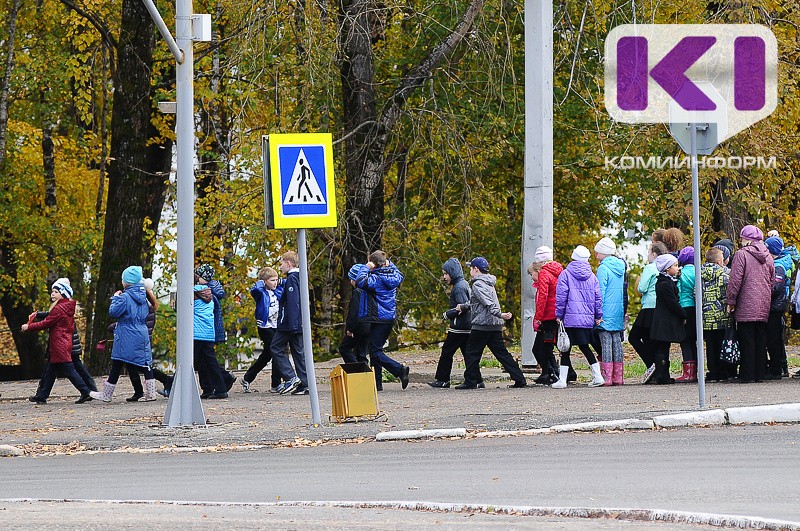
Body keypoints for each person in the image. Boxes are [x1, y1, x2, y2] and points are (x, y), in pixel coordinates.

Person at [456, 256, 526, 389]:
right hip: (495, 325)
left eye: (471, 268)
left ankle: (471, 381)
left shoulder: (478, 284)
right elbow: (477, 302)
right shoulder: (489, 283)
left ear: (476, 269)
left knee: (471, 353)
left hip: (482, 325)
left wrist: (500, 314)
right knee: (502, 353)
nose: (470, 271)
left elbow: (487, 302)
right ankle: (519, 378)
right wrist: (464, 306)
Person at [90, 266, 157, 402]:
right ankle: (151, 393)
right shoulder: (144, 296)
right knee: (145, 362)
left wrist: (115, 298)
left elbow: (113, 312)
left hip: (126, 332)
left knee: (117, 361)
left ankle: (107, 394)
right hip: (142, 331)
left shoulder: (125, 297)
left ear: (127, 282)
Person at [23, 278, 93, 404]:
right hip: (62, 343)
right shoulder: (66, 307)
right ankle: (42, 395)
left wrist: (29, 326)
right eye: (52, 292)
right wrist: (38, 315)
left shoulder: (59, 309)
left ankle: (85, 391)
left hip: (59, 345)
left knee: (70, 371)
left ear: (63, 293)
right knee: (50, 371)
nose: (52, 294)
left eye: (55, 291)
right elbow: (50, 317)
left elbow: (46, 323)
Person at [355, 251, 411, 390]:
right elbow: (397, 272)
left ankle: (399, 370)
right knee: (376, 349)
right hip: (388, 317)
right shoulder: (395, 275)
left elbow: (360, 281)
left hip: (377, 317)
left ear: (372, 263)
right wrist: (388, 263)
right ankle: (377, 384)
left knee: (375, 352)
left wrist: (367, 267)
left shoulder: (376, 279)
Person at [726, 225, 774, 383]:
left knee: (746, 339)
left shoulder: (741, 255)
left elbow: (735, 280)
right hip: (763, 302)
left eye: (742, 238)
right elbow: (771, 280)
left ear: (747, 239)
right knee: (760, 339)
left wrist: (731, 300)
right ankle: (760, 373)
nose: (740, 241)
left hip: (746, 303)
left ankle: (747, 374)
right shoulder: (768, 256)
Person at [551, 246, 604, 388]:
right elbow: (598, 298)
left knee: (565, 349)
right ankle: (597, 376)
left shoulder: (565, 274)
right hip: (586, 319)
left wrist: (559, 315)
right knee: (585, 347)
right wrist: (598, 315)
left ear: (573, 257)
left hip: (569, 318)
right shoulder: (592, 276)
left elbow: (561, 297)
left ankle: (562, 380)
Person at [269, 251, 309, 395]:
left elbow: (292, 303)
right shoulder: (301, 277)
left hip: (289, 323)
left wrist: (292, 324)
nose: (280, 267)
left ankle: (290, 377)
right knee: (298, 352)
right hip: (299, 322)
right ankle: (305, 383)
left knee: (275, 347)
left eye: (281, 263)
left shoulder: (292, 279)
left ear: (288, 263)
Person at [429, 258, 472, 388]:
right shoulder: (464, 284)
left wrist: (447, 314)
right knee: (468, 354)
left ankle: (443, 379)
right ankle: (476, 378)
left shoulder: (458, 288)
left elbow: (462, 307)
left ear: (452, 273)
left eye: (446, 274)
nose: (444, 277)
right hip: (466, 326)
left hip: (459, 327)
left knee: (447, 352)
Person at [629, 242, 669, 384]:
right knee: (655, 340)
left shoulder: (650, 268)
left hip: (648, 307)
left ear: (654, 254)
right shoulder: (666, 267)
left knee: (634, 337)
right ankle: (660, 370)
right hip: (661, 309)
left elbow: (641, 287)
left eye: (648, 252)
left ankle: (651, 363)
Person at [339, 264, 382, 390]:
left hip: (359, 327)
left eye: (351, 279)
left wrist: (350, 329)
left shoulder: (358, 292)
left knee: (344, 348)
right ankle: (368, 380)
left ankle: (358, 374)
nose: (351, 282)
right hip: (370, 326)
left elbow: (354, 313)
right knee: (362, 353)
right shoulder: (371, 290)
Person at [241, 267, 283, 393]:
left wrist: (280, 281)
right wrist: (261, 282)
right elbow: (254, 289)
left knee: (267, 355)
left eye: (276, 280)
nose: (275, 283)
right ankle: (276, 384)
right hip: (265, 326)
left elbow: (287, 283)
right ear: (265, 281)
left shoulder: (278, 290)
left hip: (276, 325)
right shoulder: (261, 293)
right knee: (276, 351)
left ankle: (247, 378)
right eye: (272, 280)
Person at [195, 264, 237, 392]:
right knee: (206, 359)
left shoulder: (197, 292)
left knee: (202, 360)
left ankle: (219, 386)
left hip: (199, 331)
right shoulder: (212, 293)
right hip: (209, 330)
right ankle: (212, 387)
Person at [527, 246, 563, 385]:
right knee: (546, 347)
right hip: (556, 314)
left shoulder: (544, 273)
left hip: (547, 315)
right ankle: (551, 372)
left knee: (542, 348)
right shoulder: (558, 272)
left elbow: (543, 296)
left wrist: (539, 317)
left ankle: (552, 373)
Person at [594, 237, 626, 386]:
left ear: (603, 253)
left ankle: (606, 377)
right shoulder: (621, 267)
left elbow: (599, 292)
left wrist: (597, 312)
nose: (595, 255)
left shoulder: (603, 268)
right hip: (617, 311)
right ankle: (618, 377)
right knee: (617, 343)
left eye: (597, 252)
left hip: (605, 312)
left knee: (606, 344)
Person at [650, 254, 685, 385]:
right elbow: (672, 303)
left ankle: (663, 374)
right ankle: (662, 374)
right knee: (663, 348)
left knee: (664, 347)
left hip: (663, 319)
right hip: (665, 321)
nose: (677, 268)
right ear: (666, 269)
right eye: (675, 266)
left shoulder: (665, 282)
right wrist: (683, 314)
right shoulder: (664, 284)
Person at [125, 277, 159, 401]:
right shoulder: (149, 303)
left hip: (139, 337)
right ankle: (142, 391)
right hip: (144, 336)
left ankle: (144, 391)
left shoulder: (142, 304)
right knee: (138, 364)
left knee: (139, 365)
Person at [701, 248, 731, 382]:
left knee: (711, 345)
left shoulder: (700, 274)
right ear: (720, 261)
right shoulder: (725, 274)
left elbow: (697, 293)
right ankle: (723, 371)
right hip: (722, 315)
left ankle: (712, 371)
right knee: (722, 343)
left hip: (707, 316)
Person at [764, 236, 792, 380]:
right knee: (775, 339)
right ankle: (780, 365)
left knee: (773, 339)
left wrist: (761, 291)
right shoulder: (777, 264)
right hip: (775, 306)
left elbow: (775, 287)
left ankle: (776, 368)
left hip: (775, 308)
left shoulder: (778, 266)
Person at [675, 246, 698, 383]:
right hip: (695, 307)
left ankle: (688, 372)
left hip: (684, 306)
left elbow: (677, 291)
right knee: (694, 339)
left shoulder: (681, 273)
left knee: (685, 340)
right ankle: (696, 370)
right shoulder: (698, 271)